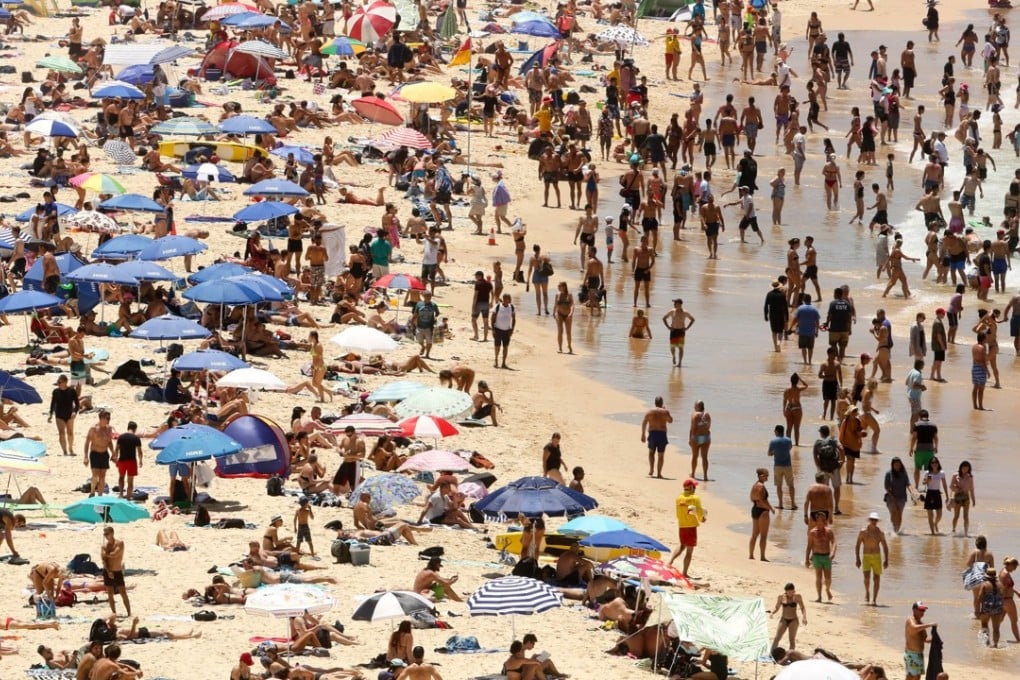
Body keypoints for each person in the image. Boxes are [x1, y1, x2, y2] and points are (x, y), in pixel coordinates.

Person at [667, 478, 705, 577]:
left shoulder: (679, 498)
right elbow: (700, 512)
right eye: (694, 486)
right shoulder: (695, 498)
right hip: (691, 526)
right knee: (689, 551)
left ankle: (670, 561)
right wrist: (702, 519)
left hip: (682, 525)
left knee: (682, 545)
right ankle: (684, 573)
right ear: (691, 487)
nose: (695, 488)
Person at [855, 512, 889, 606]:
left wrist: (886, 560)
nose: (874, 521)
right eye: (872, 520)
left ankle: (874, 599)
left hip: (877, 557)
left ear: (877, 521)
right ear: (869, 520)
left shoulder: (880, 533)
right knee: (866, 578)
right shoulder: (863, 532)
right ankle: (867, 592)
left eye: (875, 520)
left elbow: (885, 546)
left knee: (876, 579)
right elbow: (857, 545)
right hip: (866, 557)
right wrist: (857, 558)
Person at [805, 511, 836, 602]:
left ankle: (827, 589)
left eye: (823, 520)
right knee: (818, 577)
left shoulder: (829, 531)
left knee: (828, 579)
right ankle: (819, 596)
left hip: (827, 557)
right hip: (817, 556)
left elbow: (834, 542)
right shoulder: (812, 532)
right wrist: (807, 559)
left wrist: (833, 552)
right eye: (819, 520)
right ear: (816, 521)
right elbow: (809, 546)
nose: (821, 521)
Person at [812, 425, 843, 515]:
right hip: (834, 468)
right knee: (836, 488)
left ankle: (825, 508)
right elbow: (841, 448)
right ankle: (836, 508)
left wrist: (818, 466)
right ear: (828, 432)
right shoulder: (833, 440)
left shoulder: (818, 443)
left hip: (823, 468)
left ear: (821, 433)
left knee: (824, 489)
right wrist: (842, 460)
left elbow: (815, 456)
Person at [101, 525, 130, 617]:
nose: (105, 536)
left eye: (107, 534)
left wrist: (107, 554)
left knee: (123, 593)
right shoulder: (104, 546)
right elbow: (103, 559)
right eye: (104, 534)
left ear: (112, 533)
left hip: (117, 570)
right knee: (110, 593)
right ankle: (114, 612)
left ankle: (129, 612)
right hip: (108, 571)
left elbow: (115, 554)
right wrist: (108, 571)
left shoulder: (119, 543)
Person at [640, 396, 673, 478]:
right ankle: (659, 473)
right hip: (662, 434)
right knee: (661, 455)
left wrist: (643, 434)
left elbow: (644, 423)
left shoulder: (649, 411)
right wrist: (665, 411)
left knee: (651, 453)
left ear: (655, 403)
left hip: (653, 434)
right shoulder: (665, 412)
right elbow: (670, 421)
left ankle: (651, 470)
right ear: (662, 403)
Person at [84, 410, 114, 498]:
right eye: (106, 418)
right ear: (101, 418)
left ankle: (100, 495)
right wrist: (86, 456)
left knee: (103, 475)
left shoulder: (109, 428)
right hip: (95, 453)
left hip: (104, 453)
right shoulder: (93, 428)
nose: (108, 420)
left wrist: (113, 453)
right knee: (95, 474)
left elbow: (109, 442)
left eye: (109, 418)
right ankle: (92, 491)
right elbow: (87, 442)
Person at [48, 374, 79, 456]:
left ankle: (70, 449)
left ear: (65, 382)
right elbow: (52, 403)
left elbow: (77, 404)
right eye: (58, 382)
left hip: (69, 414)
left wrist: (74, 412)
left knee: (70, 433)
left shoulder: (72, 391)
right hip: (59, 415)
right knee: (61, 433)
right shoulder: (55, 392)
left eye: (60, 382)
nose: (58, 383)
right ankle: (65, 451)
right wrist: (50, 414)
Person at [904, 602, 936, 680]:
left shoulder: (921, 623)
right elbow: (914, 628)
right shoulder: (910, 620)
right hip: (911, 654)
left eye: (923, 610)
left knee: (917, 676)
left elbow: (925, 639)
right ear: (914, 610)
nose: (922, 612)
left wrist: (934, 639)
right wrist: (929, 625)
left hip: (919, 654)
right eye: (920, 610)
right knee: (911, 676)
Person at [770, 583, 807, 650]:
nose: (790, 593)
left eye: (792, 592)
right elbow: (777, 607)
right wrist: (772, 613)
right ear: (786, 591)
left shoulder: (797, 597)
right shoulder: (781, 597)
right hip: (784, 619)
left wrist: (804, 617)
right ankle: (771, 653)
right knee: (777, 637)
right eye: (788, 592)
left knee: (791, 639)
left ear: (794, 591)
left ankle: (790, 655)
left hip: (793, 620)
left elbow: (802, 607)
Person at [749, 468, 775, 561]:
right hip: (763, 511)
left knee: (754, 534)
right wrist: (770, 508)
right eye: (766, 475)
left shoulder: (754, 485)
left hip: (754, 509)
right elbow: (762, 499)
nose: (767, 477)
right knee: (763, 535)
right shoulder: (761, 487)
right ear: (761, 476)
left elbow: (752, 498)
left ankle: (751, 555)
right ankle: (762, 556)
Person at [977, 566, 1006, 647]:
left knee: (984, 625)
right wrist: (1002, 610)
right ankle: (996, 645)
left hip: (986, 608)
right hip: (997, 608)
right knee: (996, 628)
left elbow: (979, 598)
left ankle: (987, 644)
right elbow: (1003, 598)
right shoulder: (1000, 584)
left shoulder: (985, 584)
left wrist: (978, 610)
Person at [884, 457, 914, 534]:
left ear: (901, 465)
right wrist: (892, 497)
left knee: (899, 514)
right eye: (895, 464)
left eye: (898, 464)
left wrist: (912, 493)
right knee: (893, 513)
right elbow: (886, 487)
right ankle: (893, 528)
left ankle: (896, 531)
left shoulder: (904, 474)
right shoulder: (888, 474)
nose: (897, 465)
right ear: (892, 465)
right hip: (891, 497)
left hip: (902, 497)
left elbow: (908, 484)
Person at [113, 420, 141, 499]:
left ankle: (121, 494)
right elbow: (139, 452)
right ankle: (128, 496)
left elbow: (116, 449)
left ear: (128, 428)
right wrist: (141, 461)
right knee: (130, 481)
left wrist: (116, 460)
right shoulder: (136, 438)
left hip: (122, 460)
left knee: (121, 477)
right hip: (132, 461)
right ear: (135, 429)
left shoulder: (121, 437)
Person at [662, 298, 695, 367]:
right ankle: (673, 356)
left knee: (680, 347)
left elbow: (692, 319)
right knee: (672, 347)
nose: (674, 304)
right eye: (674, 303)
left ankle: (680, 363)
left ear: (680, 304)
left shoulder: (685, 312)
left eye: (675, 303)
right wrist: (668, 327)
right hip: (673, 331)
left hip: (681, 331)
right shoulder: (672, 311)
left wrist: (687, 328)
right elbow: (664, 318)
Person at [922, 457, 950, 535]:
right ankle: (932, 532)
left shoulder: (941, 473)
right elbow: (923, 483)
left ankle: (935, 524)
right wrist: (927, 480)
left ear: (938, 463)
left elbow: (944, 484)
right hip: (930, 493)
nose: (934, 464)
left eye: (936, 462)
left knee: (939, 514)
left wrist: (947, 496)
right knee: (930, 514)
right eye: (932, 463)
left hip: (937, 493)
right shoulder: (927, 473)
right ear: (930, 464)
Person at [411, 291, 440, 359]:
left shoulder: (434, 305)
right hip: (419, 326)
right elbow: (415, 313)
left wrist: (436, 317)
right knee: (419, 340)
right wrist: (412, 322)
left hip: (429, 327)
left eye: (429, 297)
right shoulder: (419, 304)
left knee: (429, 341)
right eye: (427, 296)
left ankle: (427, 354)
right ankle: (423, 347)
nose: (428, 298)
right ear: (423, 296)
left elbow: (437, 313)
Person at [950, 460, 976, 536]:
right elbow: (951, 486)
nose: (965, 469)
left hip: (966, 497)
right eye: (964, 467)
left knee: (966, 516)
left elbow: (972, 489)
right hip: (957, 497)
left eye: (967, 468)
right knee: (956, 516)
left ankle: (966, 533)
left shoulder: (970, 477)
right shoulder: (955, 475)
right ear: (961, 467)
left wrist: (973, 500)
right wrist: (956, 489)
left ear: (969, 469)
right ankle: (953, 529)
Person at [491, 293, 516, 369]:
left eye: (510, 299)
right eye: (508, 299)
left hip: (507, 331)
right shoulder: (498, 306)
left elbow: (514, 319)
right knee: (497, 347)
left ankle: (503, 363)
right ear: (504, 299)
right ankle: (496, 360)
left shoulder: (511, 307)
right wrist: (493, 329)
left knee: (505, 347)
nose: (510, 300)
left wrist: (512, 329)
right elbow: (492, 318)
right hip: (498, 330)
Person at [688, 400, 711, 480]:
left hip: (697, 437)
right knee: (705, 457)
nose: (694, 407)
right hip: (706, 437)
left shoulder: (694, 415)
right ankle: (705, 476)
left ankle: (693, 474)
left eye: (695, 405)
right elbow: (708, 426)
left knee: (695, 456)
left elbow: (692, 428)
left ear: (698, 407)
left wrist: (690, 439)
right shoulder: (707, 415)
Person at [1000, 557, 1020, 644]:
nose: (1015, 569)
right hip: (1007, 600)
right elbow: (1003, 588)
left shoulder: (1003, 571)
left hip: (1004, 600)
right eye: (1014, 567)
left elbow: (1008, 586)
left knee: (999, 620)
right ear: (1010, 565)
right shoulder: (1005, 575)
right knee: (1014, 621)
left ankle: (990, 635)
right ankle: (1018, 641)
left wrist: (1016, 592)